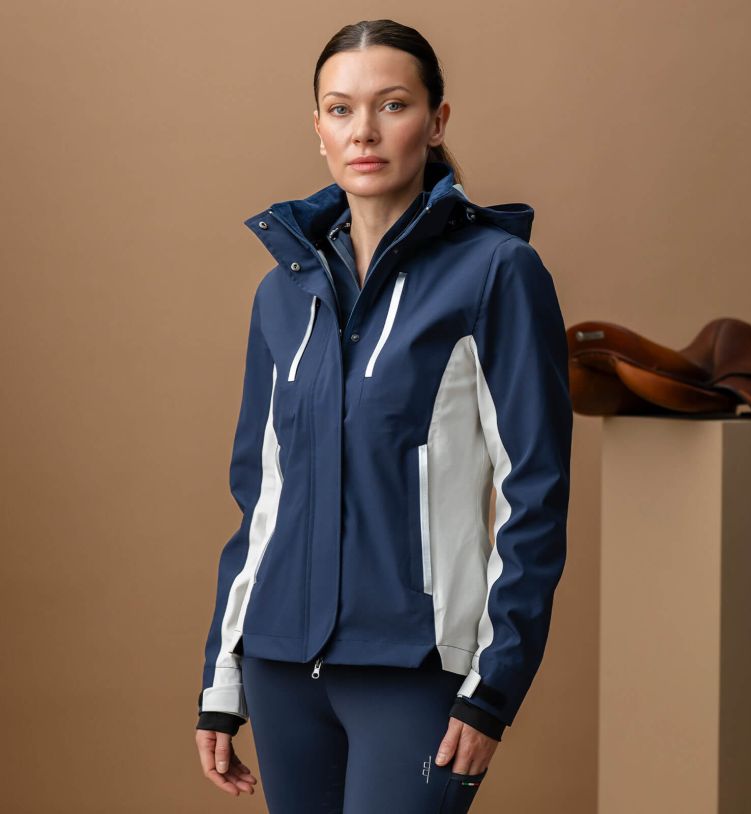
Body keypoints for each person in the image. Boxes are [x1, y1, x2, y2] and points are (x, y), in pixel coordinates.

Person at [194, 18, 573, 814]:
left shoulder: (496, 274)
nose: (362, 131)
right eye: (340, 110)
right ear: (318, 129)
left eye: (391, 105)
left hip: (414, 667)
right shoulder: (281, 293)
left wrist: (494, 684)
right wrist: (222, 680)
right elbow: (261, 499)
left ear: (435, 122)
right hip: (280, 665)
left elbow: (533, 493)